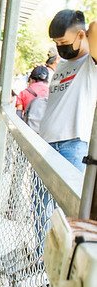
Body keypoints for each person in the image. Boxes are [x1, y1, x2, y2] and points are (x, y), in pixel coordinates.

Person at [39, 9, 97, 172]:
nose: (60, 47)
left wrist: (84, 29)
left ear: (80, 35)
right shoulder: (62, 64)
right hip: (46, 143)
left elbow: (94, 27)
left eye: (63, 42)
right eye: (56, 43)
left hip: (72, 146)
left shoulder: (91, 63)